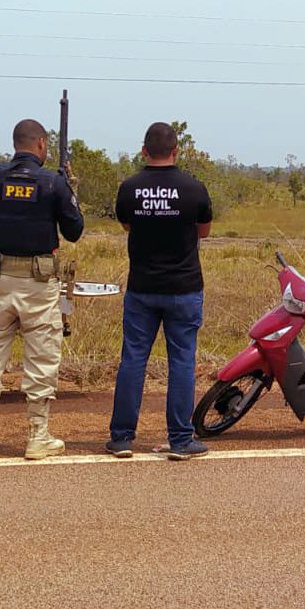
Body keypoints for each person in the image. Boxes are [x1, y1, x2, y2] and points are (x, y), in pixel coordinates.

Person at [0, 119, 84, 460]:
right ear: (41, 144)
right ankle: (37, 437)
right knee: (41, 357)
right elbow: (74, 231)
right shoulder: (53, 182)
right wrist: (70, 189)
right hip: (39, 284)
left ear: (16, 144)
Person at [107, 122, 213, 460]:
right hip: (184, 288)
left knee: (133, 360)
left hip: (142, 288)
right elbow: (205, 231)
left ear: (143, 151)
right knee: (182, 361)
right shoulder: (194, 188)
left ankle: (122, 438)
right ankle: (181, 440)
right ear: (176, 150)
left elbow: (127, 224)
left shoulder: (130, 188)